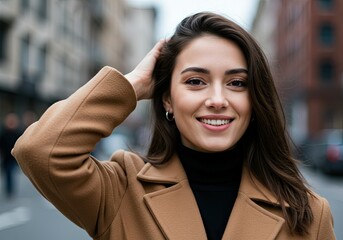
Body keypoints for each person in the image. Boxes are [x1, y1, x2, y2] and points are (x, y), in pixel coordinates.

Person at [12, 12, 335, 239]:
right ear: (166, 98)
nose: (218, 99)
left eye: (237, 83)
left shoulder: (308, 212)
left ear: (255, 99)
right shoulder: (122, 190)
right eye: (196, 81)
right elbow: (40, 151)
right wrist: (134, 84)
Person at [0, 113, 21, 199]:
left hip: (13, 158)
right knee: (7, 174)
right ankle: (8, 189)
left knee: (11, 173)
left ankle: (10, 189)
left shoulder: (17, 133)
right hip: (6, 158)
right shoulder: (4, 132)